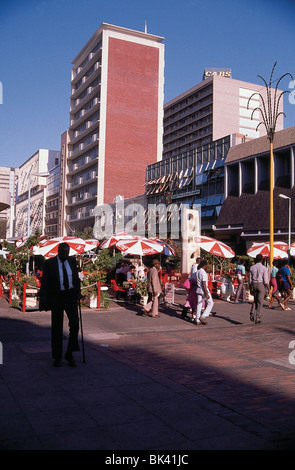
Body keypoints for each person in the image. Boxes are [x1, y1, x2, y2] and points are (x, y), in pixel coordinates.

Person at [39, 242, 81, 367]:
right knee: (57, 328)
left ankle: (69, 353)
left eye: (67, 253)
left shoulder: (72, 261)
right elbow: (45, 283)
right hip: (57, 298)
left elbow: (76, 278)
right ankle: (57, 357)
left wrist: (78, 292)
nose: (65, 255)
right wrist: (44, 301)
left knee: (75, 325)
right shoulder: (49, 263)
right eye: (63, 253)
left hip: (70, 297)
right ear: (58, 252)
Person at [249, 254, 269, 324]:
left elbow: (250, 280)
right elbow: (266, 280)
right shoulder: (264, 268)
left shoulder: (252, 267)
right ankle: (258, 317)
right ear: (262, 259)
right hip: (261, 284)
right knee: (260, 302)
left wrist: (250, 289)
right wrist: (269, 289)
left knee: (255, 299)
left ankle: (252, 312)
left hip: (254, 284)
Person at [195, 259, 214, 325]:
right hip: (204, 290)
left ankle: (197, 320)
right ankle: (203, 316)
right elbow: (204, 283)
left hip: (198, 289)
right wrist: (206, 293)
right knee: (210, 303)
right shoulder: (203, 272)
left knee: (199, 305)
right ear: (205, 265)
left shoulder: (198, 271)